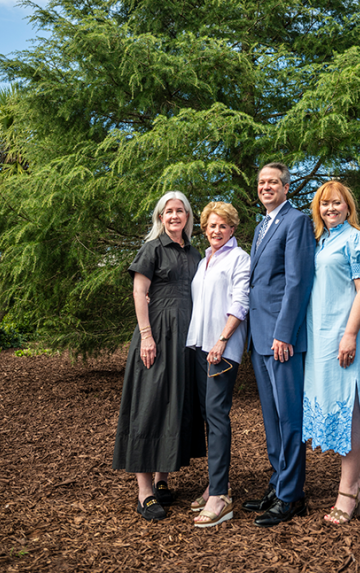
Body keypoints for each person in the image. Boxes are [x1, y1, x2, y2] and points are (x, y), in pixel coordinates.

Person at [113, 191, 205, 520]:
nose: (175, 216)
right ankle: (144, 491)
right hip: (155, 337)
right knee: (149, 406)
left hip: (185, 340)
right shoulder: (152, 249)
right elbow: (140, 292)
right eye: (169, 211)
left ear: (188, 217)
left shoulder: (196, 254)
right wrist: (147, 337)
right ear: (160, 217)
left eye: (180, 211)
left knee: (174, 406)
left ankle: (163, 480)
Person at [302, 180, 360, 524]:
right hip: (320, 337)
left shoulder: (355, 240)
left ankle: (346, 492)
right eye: (324, 204)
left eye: (336, 203)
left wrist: (349, 334)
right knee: (337, 408)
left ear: (348, 206)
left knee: (349, 410)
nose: (330, 209)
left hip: (344, 335)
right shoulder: (322, 241)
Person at [242, 162, 315, 527]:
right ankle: (277, 484)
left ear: (286, 188)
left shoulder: (296, 221)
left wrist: (284, 332)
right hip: (260, 338)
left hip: (281, 339)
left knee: (289, 418)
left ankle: (292, 496)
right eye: (261, 182)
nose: (266, 187)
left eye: (273, 182)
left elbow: (297, 282)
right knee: (272, 420)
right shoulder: (261, 226)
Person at [186, 201, 250, 528]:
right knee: (208, 416)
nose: (216, 231)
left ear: (232, 229)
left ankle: (221, 496)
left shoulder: (239, 258)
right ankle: (213, 483)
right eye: (211, 225)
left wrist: (222, 339)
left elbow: (240, 302)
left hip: (221, 350)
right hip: (200, 347)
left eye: (223, 226)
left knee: (217, 415)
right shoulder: (204, 261)